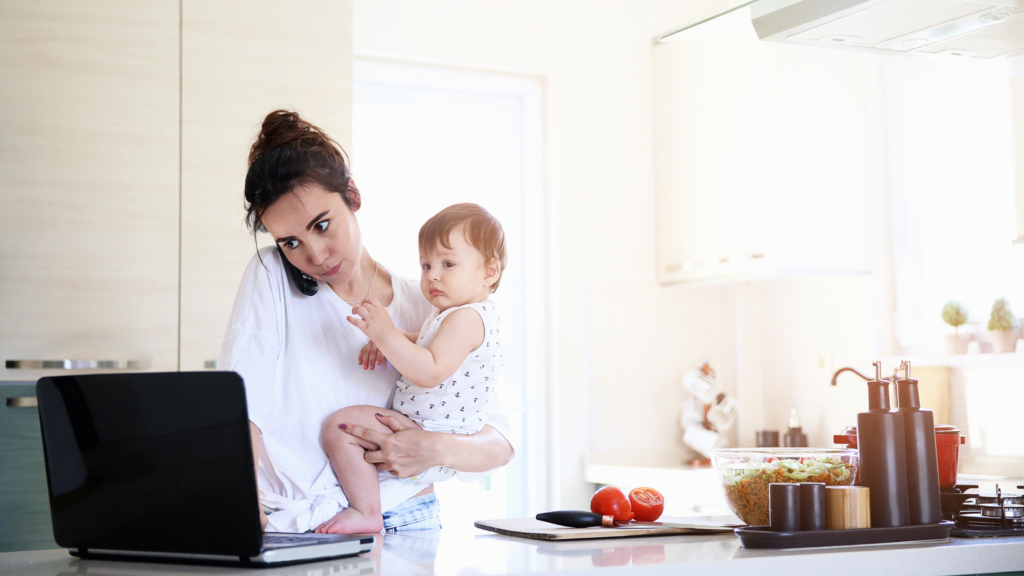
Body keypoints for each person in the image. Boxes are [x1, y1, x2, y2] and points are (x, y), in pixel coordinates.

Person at [218, 110, 515, 533]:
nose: (315, 255)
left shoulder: (431, 301)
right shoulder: (271, 277)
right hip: (302, 524)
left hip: (409, 516)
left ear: (352, 197)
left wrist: (435, 448)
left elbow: (499, 442)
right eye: (291, 242)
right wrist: (246, 512)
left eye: (322, 225)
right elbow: (241, 408)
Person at [314, 203, 507, 534]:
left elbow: (430, 370)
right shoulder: (457, 315)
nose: (433, 275)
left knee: (340, 428)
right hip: (429, 432)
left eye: (448, 264)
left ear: (489, 271)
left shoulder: (466, 318)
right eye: (426, 265)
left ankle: (366, 510)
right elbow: (429, 342)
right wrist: (397, 338)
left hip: (430, 434)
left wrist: (385, 334)